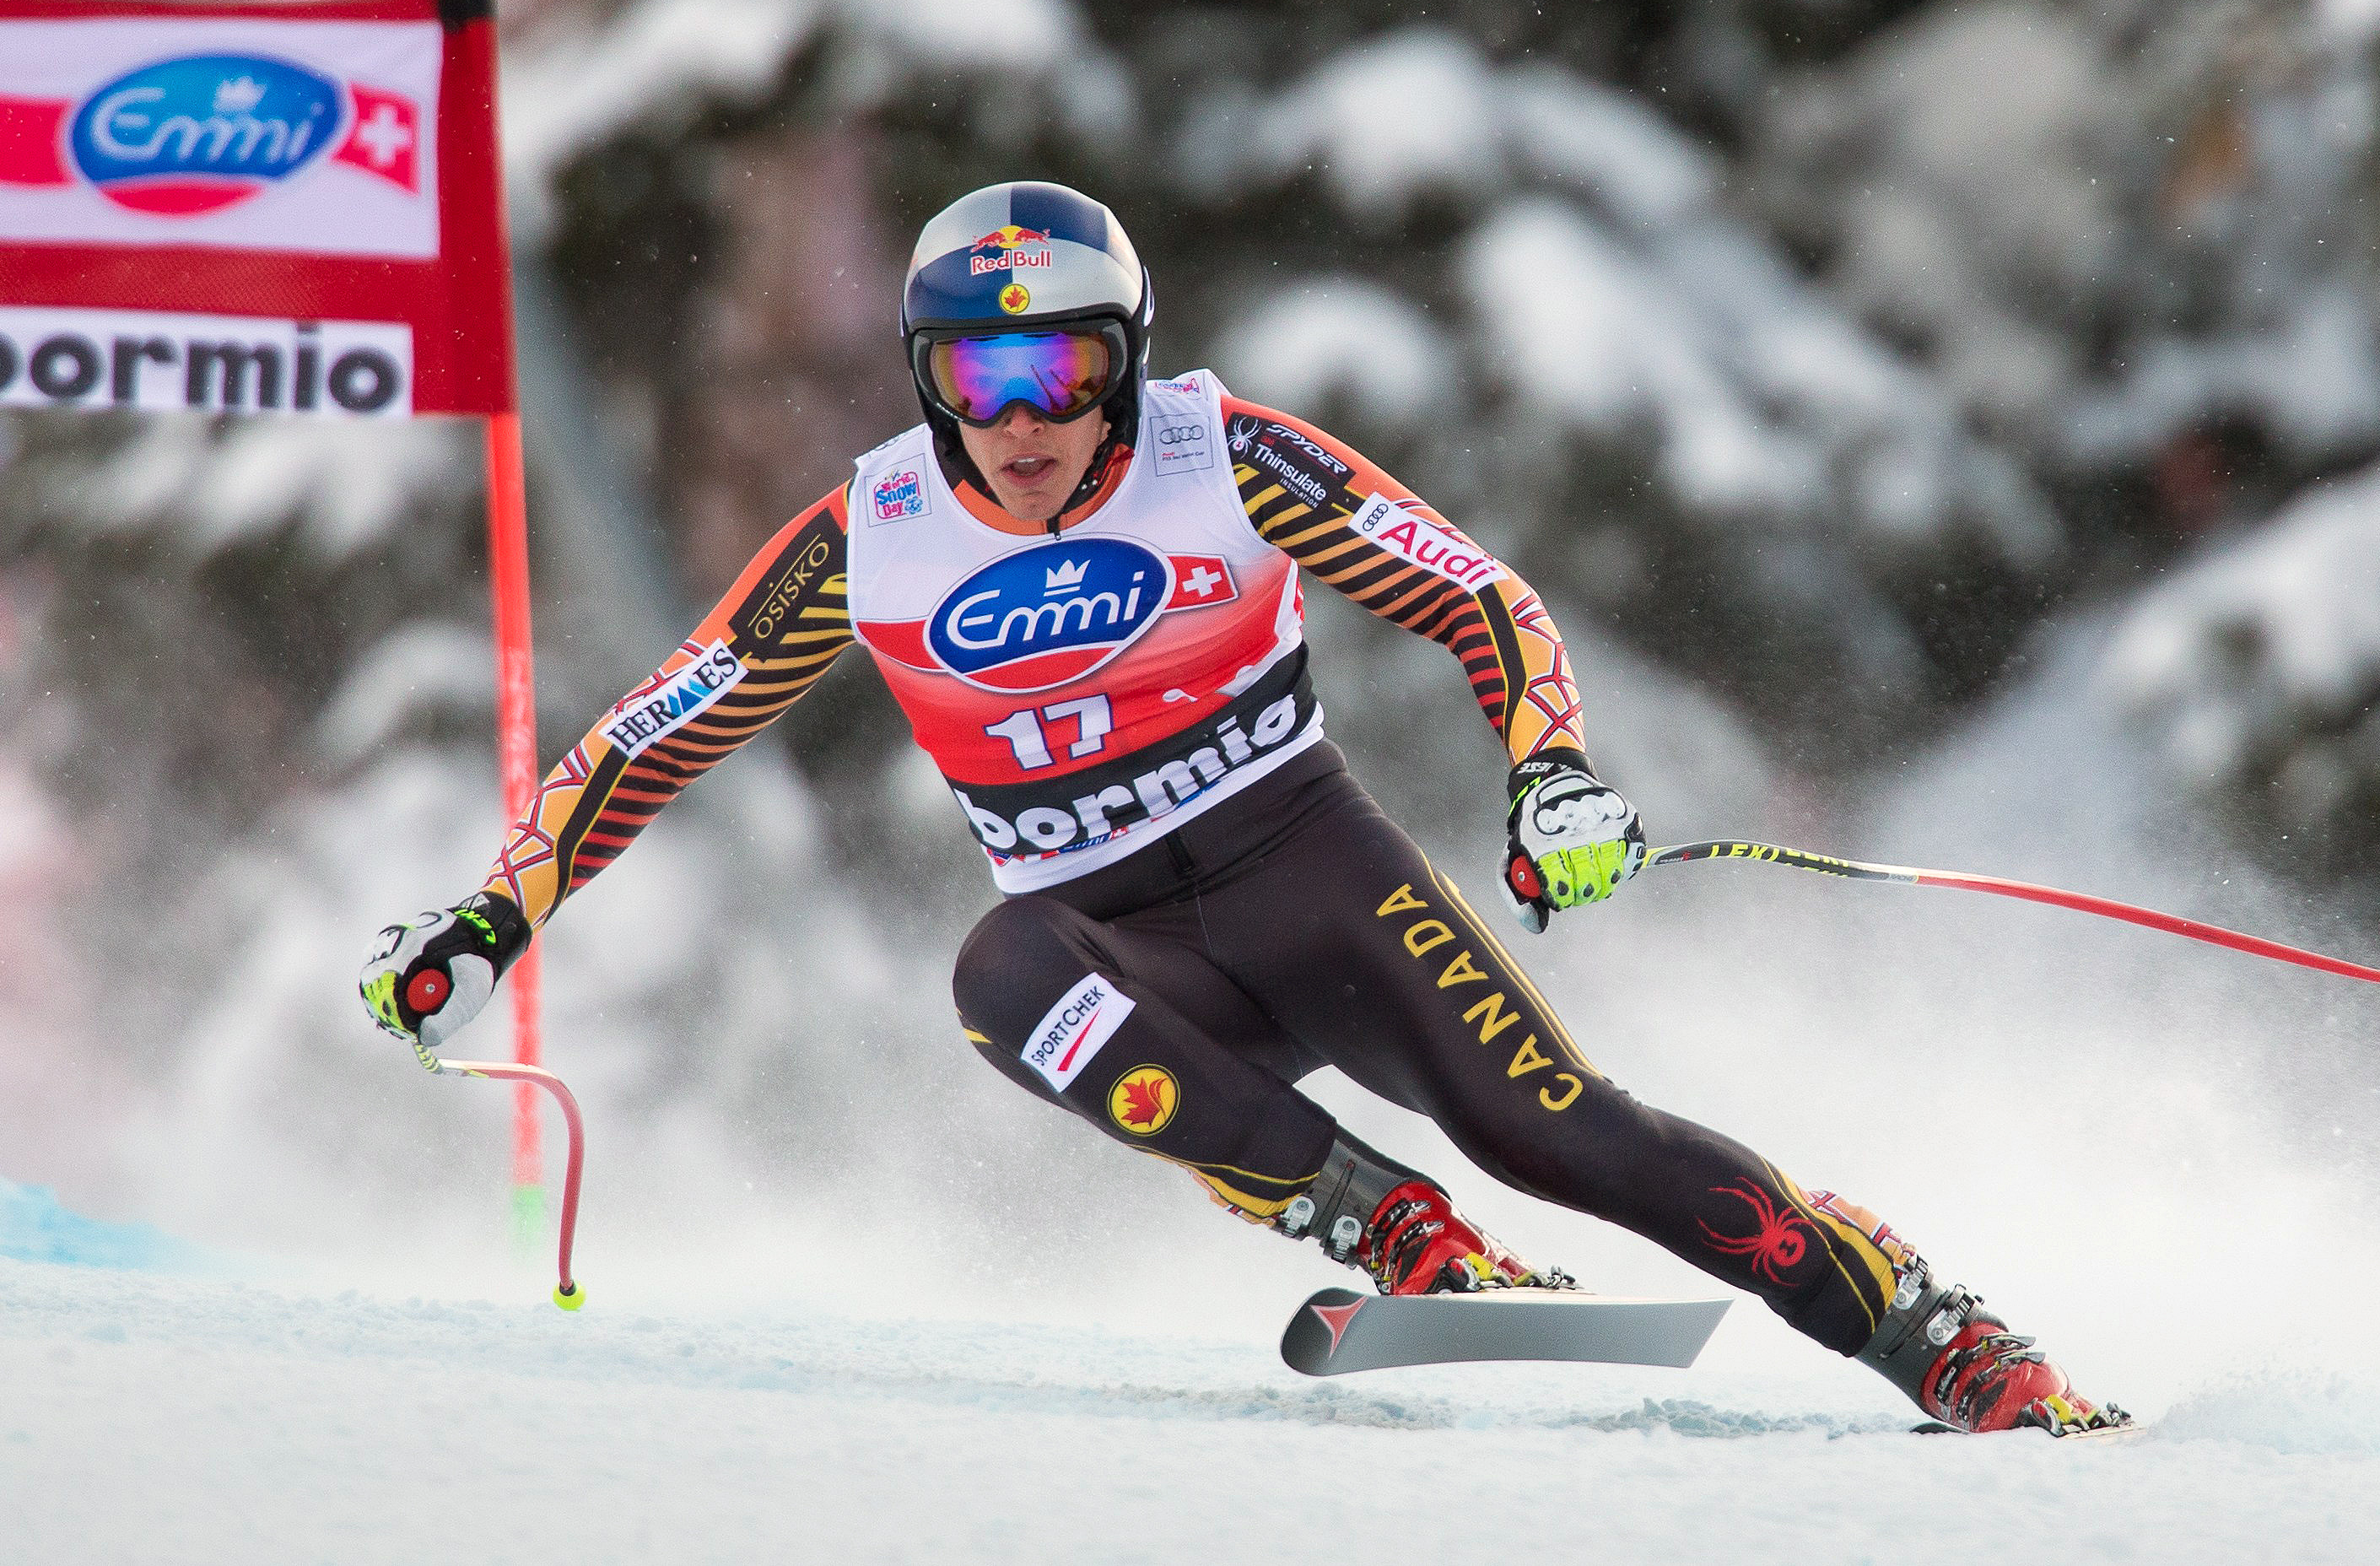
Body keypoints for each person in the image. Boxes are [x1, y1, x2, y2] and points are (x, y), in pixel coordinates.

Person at [362, 181, 2121, 1434]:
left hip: (1313, 874)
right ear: (928, 383)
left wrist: (1553, 769)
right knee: (999, 975)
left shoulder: (1222, 455)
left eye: (1061, 371)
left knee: (1572, 1140)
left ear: (1121, 363)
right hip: (1122, 939)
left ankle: (1935, 1335)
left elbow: (1476, 595)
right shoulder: (874, 532)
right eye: (980, 379)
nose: (1024, 419)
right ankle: (1395, 1233)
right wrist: (486, 920)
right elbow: (660, 729)